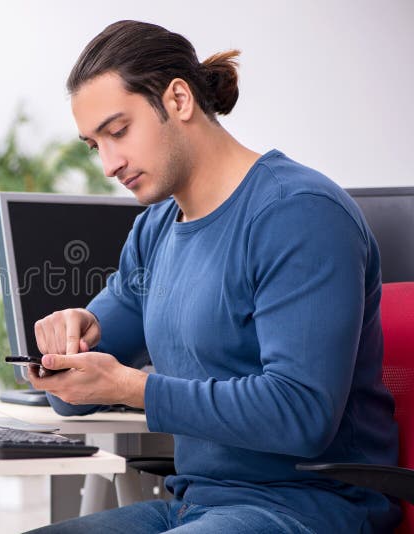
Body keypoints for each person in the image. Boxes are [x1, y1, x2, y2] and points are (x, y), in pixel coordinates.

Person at [26, 20, 400, 533]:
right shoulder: (155, 229)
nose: (109, 164)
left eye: (118, 132)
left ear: (178, 99)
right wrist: (60, 349)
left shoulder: (298, 214)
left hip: (312, 509)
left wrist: (135, 388)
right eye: (95, 146)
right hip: (197, 507)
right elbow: (70, 397)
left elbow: (301, 415)